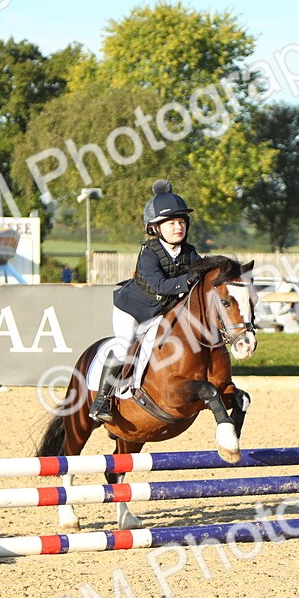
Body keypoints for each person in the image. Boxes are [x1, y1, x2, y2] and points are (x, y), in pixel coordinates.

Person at [90, 180, 203, 423]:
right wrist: (187, 280)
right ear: (155, 228)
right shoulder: (149, 252)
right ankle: (102, 400)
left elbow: (201, 274)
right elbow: (159, 286)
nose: (178, 227)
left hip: (161, 312)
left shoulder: (189, 252)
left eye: (182, 222)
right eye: (172, 223)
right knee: (123, 346)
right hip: (132, 310)